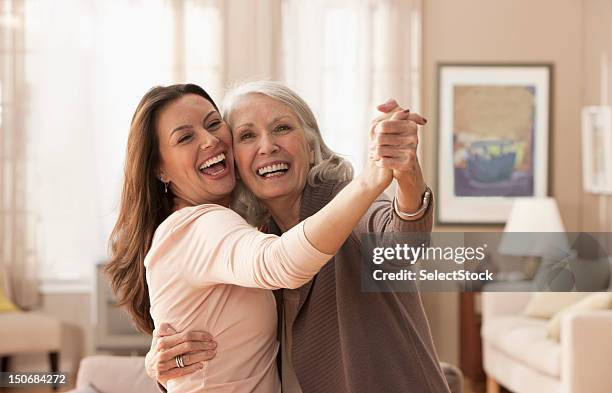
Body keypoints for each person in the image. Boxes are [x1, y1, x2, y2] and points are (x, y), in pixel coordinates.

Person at [146, 81, 451, 393]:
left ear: (310, 144)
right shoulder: (259, 236)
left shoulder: (346, 199)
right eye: (248, 135)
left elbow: (401, 245)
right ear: (234, 158)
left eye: (281, 128)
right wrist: (163, 363)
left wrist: (406, 173)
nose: (267, 146)